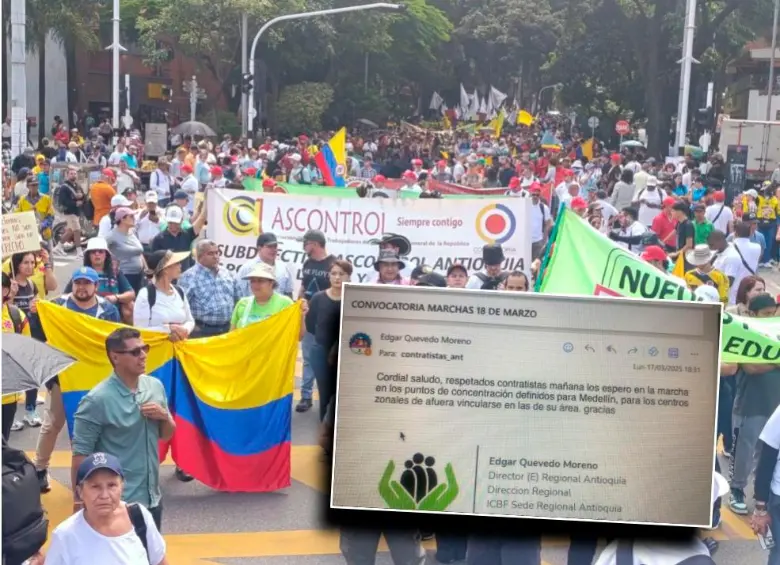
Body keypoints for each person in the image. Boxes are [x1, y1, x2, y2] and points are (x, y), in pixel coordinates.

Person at [71, 328, 175, 531]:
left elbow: (166, 434)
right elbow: (80, 456)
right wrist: (78, 502)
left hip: (152, 499)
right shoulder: (96, 400)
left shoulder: (154, 386)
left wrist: (164, 416)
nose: (143, 355)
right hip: (117, 504)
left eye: (145, 349)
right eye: (135, 352)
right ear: (115, 357)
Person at [47, 451, 170, 564]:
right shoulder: (65, 536)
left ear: (122, 487)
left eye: (111, 485)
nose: (104, 495)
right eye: (95, 486)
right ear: (80, 492)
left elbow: (159, 561)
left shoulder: (139, 518)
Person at [305, 260, 351, 421]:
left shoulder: (354, 299)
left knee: (343, 393)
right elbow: (310, 325)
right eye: (333, 274)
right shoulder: (318, 298)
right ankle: (324, 429)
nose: (337, 277)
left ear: (349, 277)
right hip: (321, 353)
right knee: (325, 393)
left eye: (341, 274)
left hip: (346, 354)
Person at [296, 229, 335, 413]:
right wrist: (298, 306)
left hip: (327, 322)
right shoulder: (308, 262)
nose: (304, 246)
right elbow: (304, 287)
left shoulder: (333, 264)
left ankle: (327, 398)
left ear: (316, 244)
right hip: (309, 320)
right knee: (307, 359)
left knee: (328, 360)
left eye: (307, 243)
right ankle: (305, 397)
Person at [9, 251, 47, 427]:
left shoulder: (32, 285)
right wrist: (10, 296)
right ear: (17, 265)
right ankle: (11, 416)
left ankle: (30, 411)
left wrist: (36, 307)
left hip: (31, 335)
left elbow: (38, 304)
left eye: (33, 262)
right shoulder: (8, 284)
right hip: (12, 337)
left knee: (31, 374)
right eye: (26, 262)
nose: (30, 266)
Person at [178, 240, 240, 338]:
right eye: (210, 253)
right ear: (200, 256)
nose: (215, 256)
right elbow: (180, 306)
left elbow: (238, 299)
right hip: (202, 332)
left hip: (228, 330)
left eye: (217, 252)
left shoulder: (226, 273)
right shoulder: (188, 277)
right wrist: (192, 327)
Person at [2, 272, 31, 440]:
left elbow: (25, 348)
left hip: (7, 395)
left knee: (3, 441)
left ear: (5, 291)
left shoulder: (16, 316)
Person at [231, 263, 301, 331]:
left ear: (271, 283)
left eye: (260, 281)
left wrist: (302, 315)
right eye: (253, 281)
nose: (256, 285)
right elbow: (232, 335)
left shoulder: (285, 303)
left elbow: (298, 335)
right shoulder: (242, 303)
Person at [236, 233, 295, 298]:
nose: (273, 250)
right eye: (269, 246)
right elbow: (238, 293)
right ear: (259, 248)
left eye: (275, 246)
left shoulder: (283, 268)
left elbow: (288, 293)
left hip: (280, 307)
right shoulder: (248, 268)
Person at [106, 207, 146, 293]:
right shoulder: (112, 236)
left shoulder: (133, 232)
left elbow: (139, 252)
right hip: (125, 275)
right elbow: (99, 249)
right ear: (122, 219)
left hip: (139, 274)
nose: (134, 218)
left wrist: (146, 268)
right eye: (131, 216)